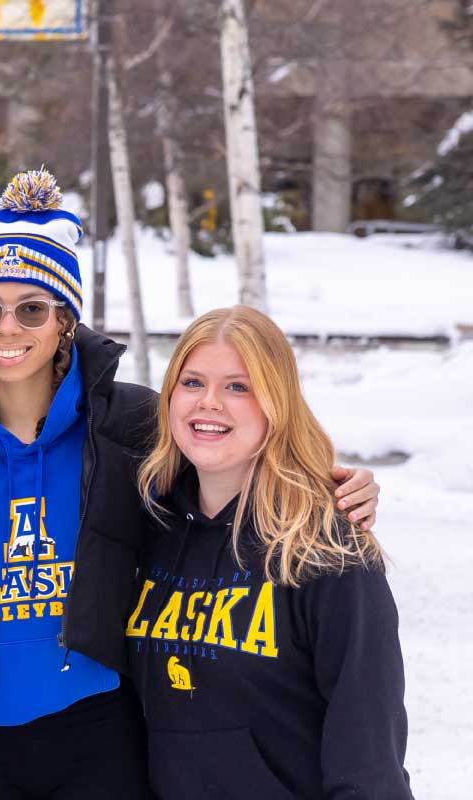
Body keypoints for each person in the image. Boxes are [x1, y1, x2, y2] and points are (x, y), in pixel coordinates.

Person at [0, 169, 380, 800]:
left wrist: (330, 487)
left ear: (65, 318)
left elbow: (225, 457)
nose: (7, 327)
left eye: (32, 308)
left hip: (100, 726)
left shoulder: (129, 422)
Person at [127, 306, 410, 798]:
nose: (209, 402)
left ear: (276, 403)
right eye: (192, 383)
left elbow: (368, 751)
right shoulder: (145, 525)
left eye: (238, 387)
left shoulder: (327, 549)